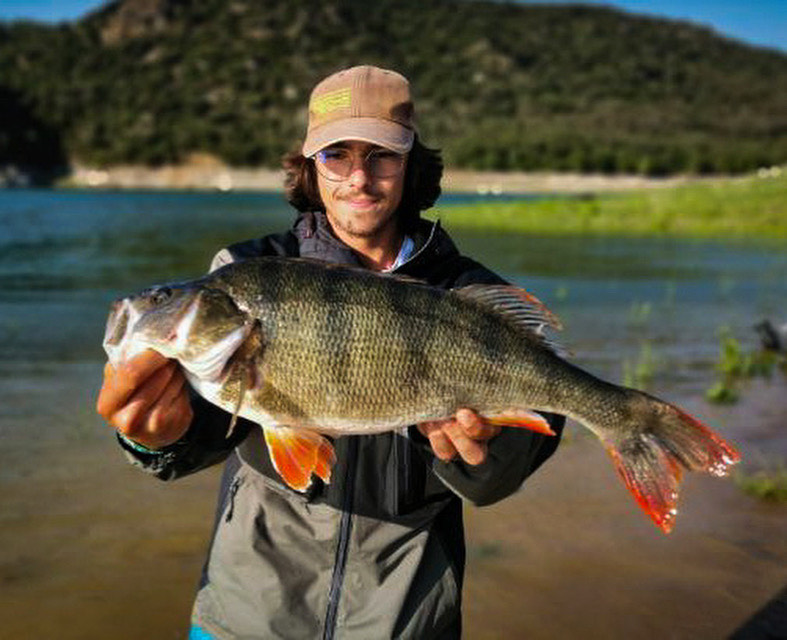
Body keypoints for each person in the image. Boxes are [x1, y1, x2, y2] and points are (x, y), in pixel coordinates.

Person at [97, 65, 564, 639]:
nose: (359, 178)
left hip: (404, 620)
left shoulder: (465, 291)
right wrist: (153, 439)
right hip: (247, 616)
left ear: (410, 163)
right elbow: (201, 438)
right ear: (310, 165)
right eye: (337, 155)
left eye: (382, 156)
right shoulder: (240, 273)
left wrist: (481, 452)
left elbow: (499, 475)